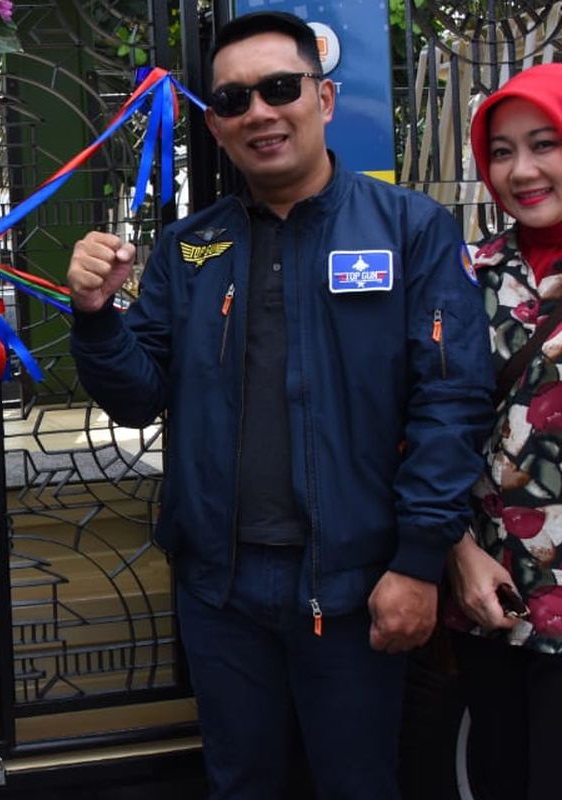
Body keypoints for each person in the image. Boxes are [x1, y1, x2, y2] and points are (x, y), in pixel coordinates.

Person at [66, 11, 493, 799]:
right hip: (219, 591)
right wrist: (94, 317)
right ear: (216, 127)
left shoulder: (409, 231)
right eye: (234, 100)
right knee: (242, 782)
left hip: (359, 582)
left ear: (324, 99)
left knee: (360, 785)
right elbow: (139, 396)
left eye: (280, 88)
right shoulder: (190, 248)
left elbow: (452, 402)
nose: (259, 112)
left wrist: (416, 562)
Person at [444, 61, 562, 800]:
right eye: (503, 150)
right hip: (498, 592)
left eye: (545, 143)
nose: (522, 170)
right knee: (509, 775)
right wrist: (456, 553)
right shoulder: (464, 276)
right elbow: (420, 427)